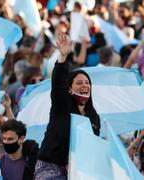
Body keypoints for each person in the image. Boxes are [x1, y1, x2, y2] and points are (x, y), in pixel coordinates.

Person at [34, 33, 100, 179]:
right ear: (69, 89)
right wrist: (63, 57)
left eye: (87, 82)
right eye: (79, 82)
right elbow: (58, 84)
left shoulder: (94, 117)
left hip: (78, 170)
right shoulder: (61, 105)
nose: (85, 85)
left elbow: (92, 147)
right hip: (50, 166)